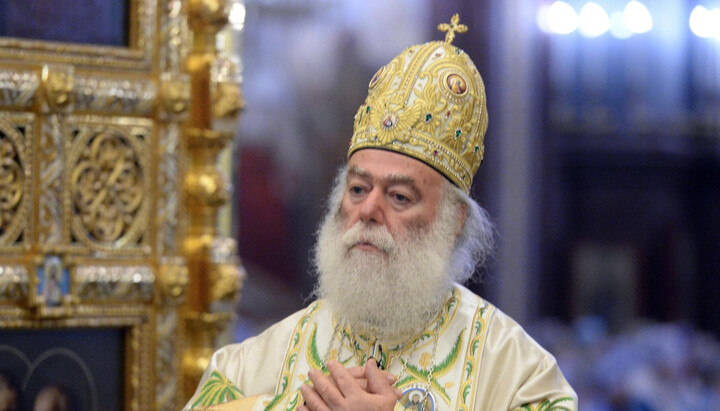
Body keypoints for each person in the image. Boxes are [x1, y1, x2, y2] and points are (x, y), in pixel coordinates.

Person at [185, 14, 577, 411]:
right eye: (357, 189)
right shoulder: (251, 366)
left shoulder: (519, 375)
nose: (368, 210)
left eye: (399, 197)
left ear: (452, 223)